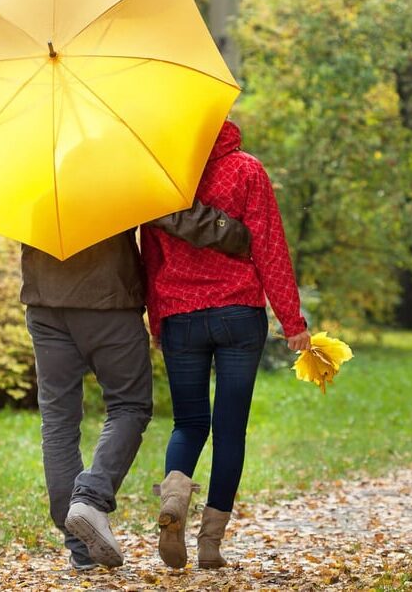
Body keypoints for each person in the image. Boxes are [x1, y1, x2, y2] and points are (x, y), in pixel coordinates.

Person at [22, 201, 250, 571]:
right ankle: (91, 499)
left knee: (59, 423)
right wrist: (235, 233)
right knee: (129, 406)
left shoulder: (29, 168)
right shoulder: (114, 162)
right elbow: (170, 213)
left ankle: (81, 551)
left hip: (43, 303)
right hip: (106, 300)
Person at [141, 120, 311, 569]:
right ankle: (210, 544)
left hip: (180, 315)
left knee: (188, 423)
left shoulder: (162, 183)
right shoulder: (246, 170)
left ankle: (174, 502)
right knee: (229, 429)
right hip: (239, 315)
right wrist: (292, 321)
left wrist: (159, 323)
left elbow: (150, 259)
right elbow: (270, 249)